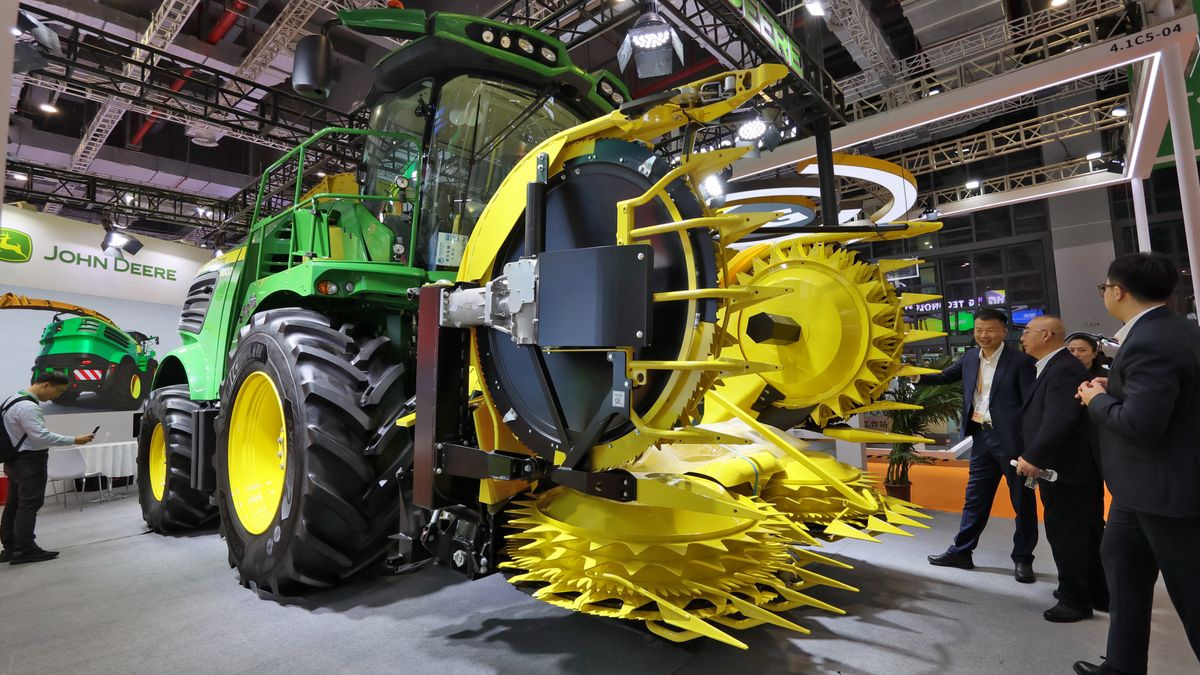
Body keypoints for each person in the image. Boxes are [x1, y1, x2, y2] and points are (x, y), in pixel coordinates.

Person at [1074, 253, 1200, 675]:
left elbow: (1140, 424)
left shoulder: (1149, 340)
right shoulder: (1179, 330)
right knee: (1121, 561)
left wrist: (1096, 399)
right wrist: (1115, 386)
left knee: (1191, 593)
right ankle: (1122, 665)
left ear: (1118, 291)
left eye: (1104, 287)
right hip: (1140, 488)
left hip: (1165, 489)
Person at [923, 308, 1039, 582]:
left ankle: (1023, 559)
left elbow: (1032, 407)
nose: (983, 335)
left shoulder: (1021, 362)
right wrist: (913, 375)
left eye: (990, 330)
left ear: (1004, 331)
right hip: (981, 438)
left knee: (1022, 502)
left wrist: (1032, 448)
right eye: (978, 330)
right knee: (975, 498)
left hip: (1013, 442)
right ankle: (962, 552)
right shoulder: (970, 358)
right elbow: (943, 377)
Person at [1015, 315, 1107, 623]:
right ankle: (1097, 592)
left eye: (1027, 331)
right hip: (1072, 468)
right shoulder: (1055, 366)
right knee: (1085, 531)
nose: (1022, 337)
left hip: (1066, 468)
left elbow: (1060, 417)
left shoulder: (1063, 368)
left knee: (1069, 533)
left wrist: (1034, 456)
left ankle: (1075, 599)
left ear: (1047, 335)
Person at [0, 372, 95, 564]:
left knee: (14, 504)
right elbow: (41, 436)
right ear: (46, 385)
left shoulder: (12, 400)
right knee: (29, 504)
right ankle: (25, 549)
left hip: (13, 460)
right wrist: (75, 439)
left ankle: (10, 548)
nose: (57, 396)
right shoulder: (28, 407)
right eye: (58, 391)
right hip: (29, 462)